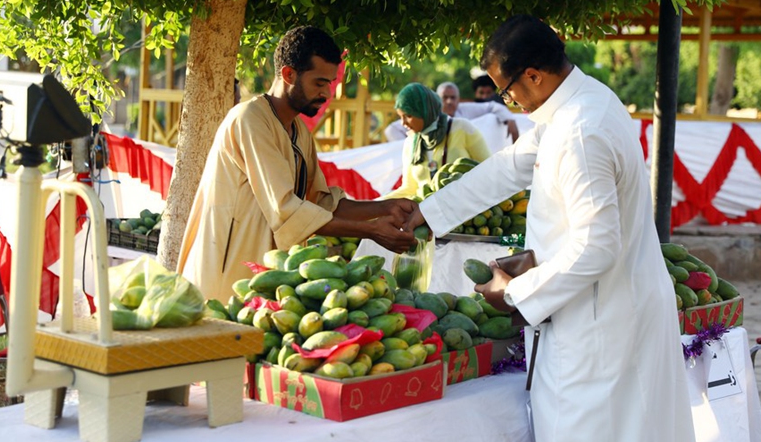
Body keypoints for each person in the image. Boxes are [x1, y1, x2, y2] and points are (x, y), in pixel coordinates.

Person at [404, 15, 696, 442]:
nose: (508, 99)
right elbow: (511, 165)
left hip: (603, 325)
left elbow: (597, 246)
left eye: (506, 90)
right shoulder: (580, 103)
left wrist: (516, 290)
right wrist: (428, 212)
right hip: (611, 308)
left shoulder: (581, 131)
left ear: (534, 76)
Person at [177, 26, 417, 302]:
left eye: (330, 83)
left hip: (269, 277)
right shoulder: (249, 119)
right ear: (289, 74)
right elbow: (288, 210)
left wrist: (385, 207)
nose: (328, 93)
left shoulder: (299, 132)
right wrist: (372, 231)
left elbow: (322, 204)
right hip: (227, 276)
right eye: (319, 83)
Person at [384, 82, 490, 200]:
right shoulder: (410, 142)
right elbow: (409, 189)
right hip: (426, 214)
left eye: (408, 116)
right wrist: (373, 205)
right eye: (400, 117)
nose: (403, 123)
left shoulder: (462, 128)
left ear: (424, 111)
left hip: (465, 211)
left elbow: (489, 170)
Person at [384, 81, 519, 142]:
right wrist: (411, 147)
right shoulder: (427, 116)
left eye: (452, 98)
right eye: (445, 98)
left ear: (458, 99)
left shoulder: (463, 111)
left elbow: (493, 106)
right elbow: (391, 130)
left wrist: (510, 119)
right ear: (437, 100)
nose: (449, 101)